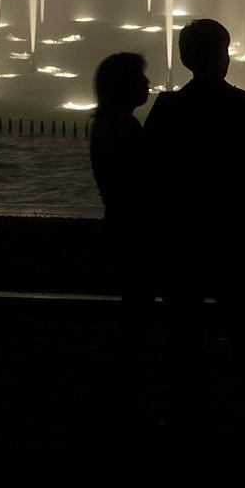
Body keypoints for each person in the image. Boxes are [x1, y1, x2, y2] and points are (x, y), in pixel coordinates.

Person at [141, 17, 245, 421]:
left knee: (183, 334)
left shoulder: (167, 109)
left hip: (181, 240)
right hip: (233, 238)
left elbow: (149, 173)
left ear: (184, 57)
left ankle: (188, 412)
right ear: (224, 56)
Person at [89, 52, 153, 411]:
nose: (147, 83)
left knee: (134, 313)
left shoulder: (102, 124)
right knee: (137, 316)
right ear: (123, 86)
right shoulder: (125, 127)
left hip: (117, 223)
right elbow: (147, 175)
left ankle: (121, 391)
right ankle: (122, 394)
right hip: (135, 229)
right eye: (141, 78)